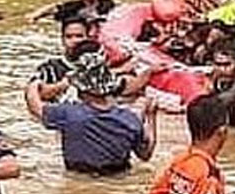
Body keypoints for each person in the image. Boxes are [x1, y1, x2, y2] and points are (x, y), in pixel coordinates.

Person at [25, 42, 158, 174]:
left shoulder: (67, 114)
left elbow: (34, 106)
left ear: (80, 87)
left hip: (77, 179)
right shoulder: (130, 119)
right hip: (119, 178)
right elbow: (145, 154)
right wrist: (151, 116)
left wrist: (34, 84)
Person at [28, 16, 91, 105]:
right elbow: (36, 94)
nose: (74, 41)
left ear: (89, 38)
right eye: (69, 37)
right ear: (62, 40)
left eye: (79, 36)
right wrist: (64, 84)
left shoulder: (99, 65)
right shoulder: (49, 67)